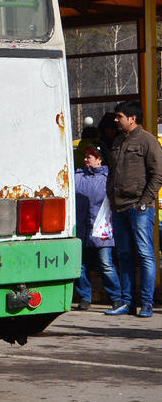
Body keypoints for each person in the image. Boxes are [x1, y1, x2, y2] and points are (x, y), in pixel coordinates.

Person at [104, 100, 159, 317]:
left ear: (132, 119)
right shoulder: (118, 140)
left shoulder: (148, 141)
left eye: (119, 116)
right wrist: (110, 198)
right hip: (119, 208)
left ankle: (147, 303)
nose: (116, 120)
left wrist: (143, 202)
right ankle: (127, 302)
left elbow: (157, 175)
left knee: (145, 255)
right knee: (124, 255)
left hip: (139, 209)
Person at [73, 142, 124, 310]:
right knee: (80, 265)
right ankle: (85, 298)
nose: (86, 159)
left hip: (102, 229)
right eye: (86, 156)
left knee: (106, 264)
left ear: (99, 159)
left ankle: (116, 297)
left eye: (90, 156)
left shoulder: (109, 177)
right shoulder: (78, 176)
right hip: (82, 228)